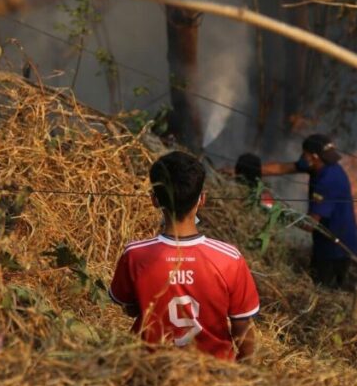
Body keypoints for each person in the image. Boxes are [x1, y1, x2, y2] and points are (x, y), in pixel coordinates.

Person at [109, 151, 260, 361]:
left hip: (149, 368)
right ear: (202, 199)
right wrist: (247, 372)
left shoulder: (135, 254)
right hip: (216, 374)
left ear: (154, 200)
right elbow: (242, 326)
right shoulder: (229, 259)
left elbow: (130, 307)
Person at [261, 133, 357, 287]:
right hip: (328, 242)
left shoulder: (327, 180)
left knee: (325, 290)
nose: (302, 157)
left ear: (314, 157)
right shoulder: (320, 165)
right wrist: (248, 169)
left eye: (304, 154)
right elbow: (283, 167)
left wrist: (273, 208)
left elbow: (309, 224)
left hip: (335, 248)